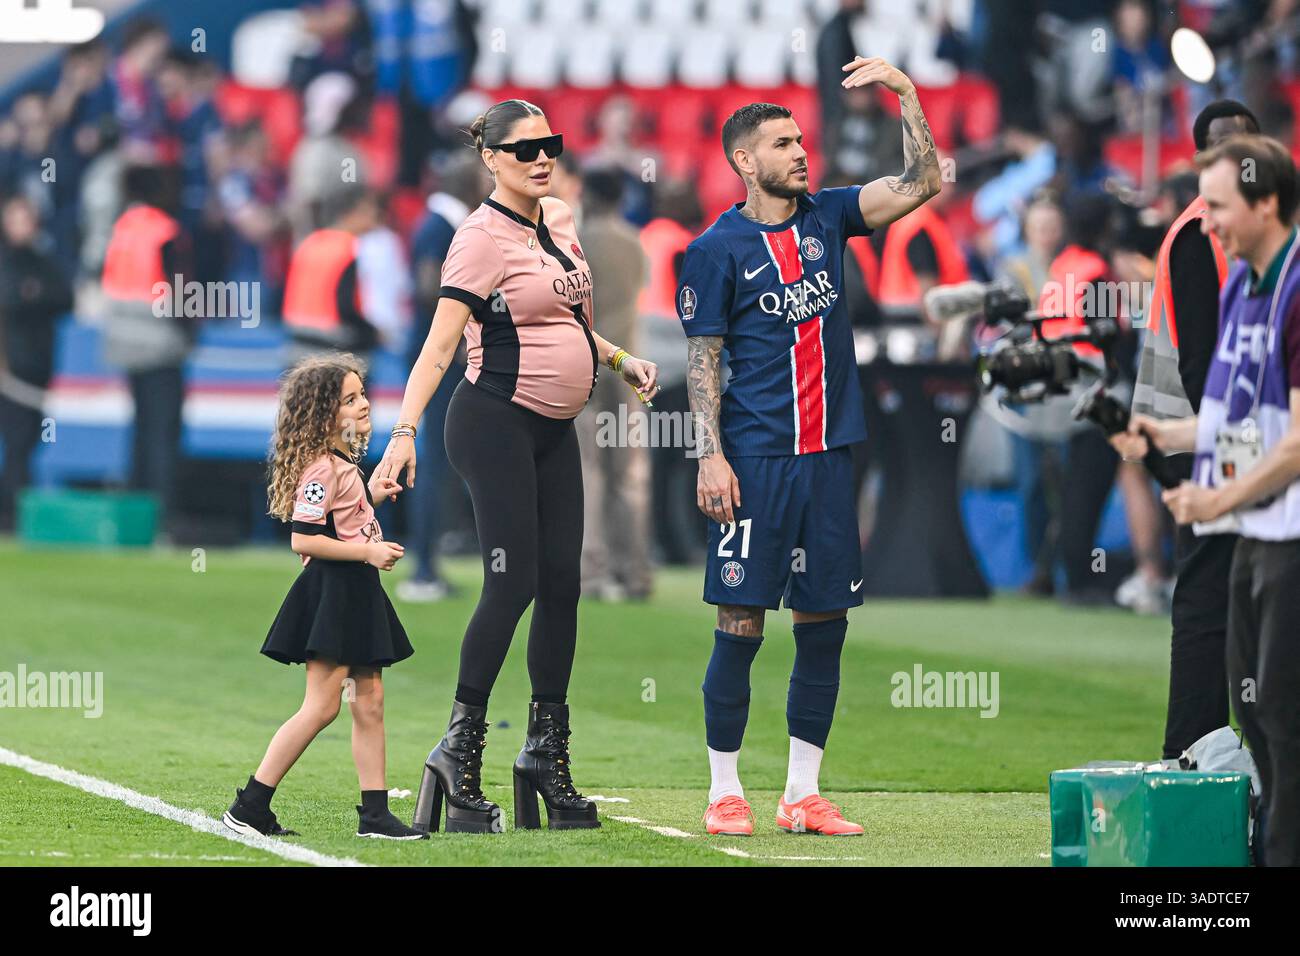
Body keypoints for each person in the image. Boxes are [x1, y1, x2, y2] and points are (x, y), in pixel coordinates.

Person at [375, 99, 659, 834]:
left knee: (562, 586)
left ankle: (544, 759)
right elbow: (439, 347)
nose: (542, 158)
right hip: (492, 423)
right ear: (492, 159)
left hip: (553, 428)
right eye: (525, 149)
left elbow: (567, 321)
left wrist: (619, 358)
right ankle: (457, 754)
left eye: (551, 145)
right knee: (513, 581)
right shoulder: (478, 238)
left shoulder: (559, 219)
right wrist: (403, 432)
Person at [678, 56, 942, 837]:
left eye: (801, 140)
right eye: (783, 143)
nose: (801, 152)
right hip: (755, 463)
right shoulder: (715, 249)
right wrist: (709, 454)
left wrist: (907, 96)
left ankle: (802, 793)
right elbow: (703, 361)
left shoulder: (830, 216)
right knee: (741, 624)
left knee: (825, 624)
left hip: (831, 459)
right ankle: (726, 790)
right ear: (743, 161)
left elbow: (924, 182)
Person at [1134, 134, 1300, 866]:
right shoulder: (1242, 286)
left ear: (1267, 203)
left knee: (1285, 726)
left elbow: (1296, 441)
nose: (1205, 225)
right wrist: (1158, 433)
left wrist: (1213, 499)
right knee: (1258, 722)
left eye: (1220, 208)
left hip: (1287, 534)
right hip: (1260, 536)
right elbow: (1231, 419)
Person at [223, 353, 423, 841]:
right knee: (321, 706)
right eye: (349, 399)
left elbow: (342, 518)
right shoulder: (323, 469)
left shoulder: (344, 464)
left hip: (355, 589)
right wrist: (368, 551)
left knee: (369, 700)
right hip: (334, 592)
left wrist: (370, 496)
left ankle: (374, 814)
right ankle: (250, 804)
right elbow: (303, 538)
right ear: (321, 414)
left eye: (362, 395)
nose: (364, 406)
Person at [1113, 99, 1259, 760]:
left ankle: (1221, 754)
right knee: (1208, 604)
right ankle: (1193, 752)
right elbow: (1200, 360)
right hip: (1202, 442)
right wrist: (1233, 443)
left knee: (1235, 600)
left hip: (1220, 437)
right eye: (1224, 149)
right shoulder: (1203, 234)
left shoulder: (1243, 229)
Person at [397, 151, 490, 603]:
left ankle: (429, 563)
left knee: (444, 461)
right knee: (434, 462)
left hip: (444, 357)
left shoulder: (439, 224)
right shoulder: (440, 227)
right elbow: (429, 287)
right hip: (441, 361)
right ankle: (423, 568)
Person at [575, 165, 653, 602]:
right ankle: (636, 572)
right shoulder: (634, 242)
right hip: (629, 367)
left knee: (588, 471)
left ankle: (592, 574)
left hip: (586, 364)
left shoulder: (577, 243)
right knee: (629, 475)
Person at [100, 163, 191, 532]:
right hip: (159, 343)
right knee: (162, 432)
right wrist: (190, 334)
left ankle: (136, 515)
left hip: (124, 342)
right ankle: (162, 516)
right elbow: (181, 293)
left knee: (140, 429)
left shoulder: (122, 229)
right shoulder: (163, 231)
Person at [0, 196, 72, 530]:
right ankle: (10, 513)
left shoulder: (45, 262)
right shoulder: (7, 263)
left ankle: (15, 512)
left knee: (26, 442)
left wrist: (33, 294)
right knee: (15, 442)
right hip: (8, 370)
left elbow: (63, 296)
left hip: (34, 368)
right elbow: (13, 299)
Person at [281, 184, 383, 361]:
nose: (375, 217)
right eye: (371, 210)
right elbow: (346, 307)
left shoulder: (309, 243)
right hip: (334, 355)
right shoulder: (350, 248)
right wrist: (373, 334)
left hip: (297, 349)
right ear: (354, 211)